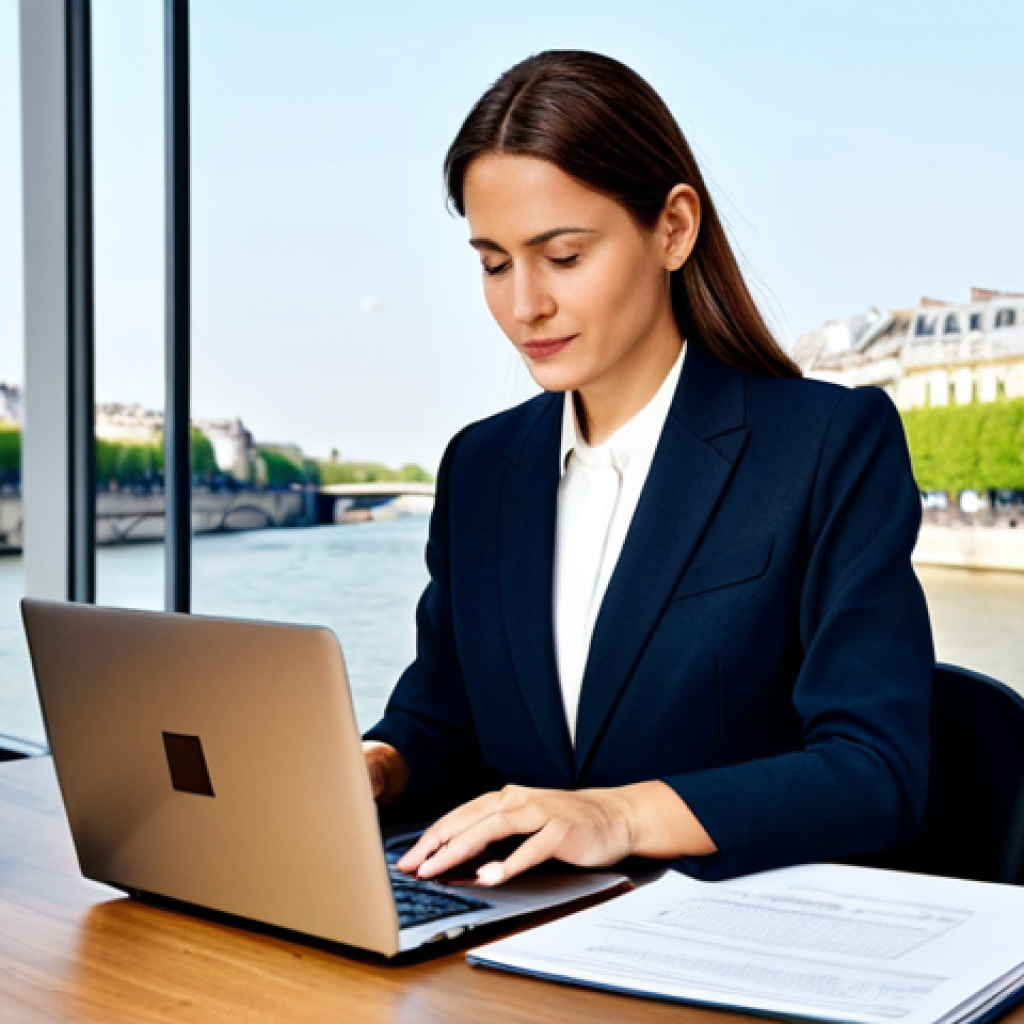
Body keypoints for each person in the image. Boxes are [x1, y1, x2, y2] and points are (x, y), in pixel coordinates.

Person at [362, 50, 934, 886]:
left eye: (563, 257)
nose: (524, 306)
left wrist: (618, 814)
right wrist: (375, 766)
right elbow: (442, 723)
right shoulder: (479, 467)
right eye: (494, 263)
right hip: (507, 931)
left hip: (724, 936)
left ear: (673, 228)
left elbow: (873, 771)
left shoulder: (827, 445)